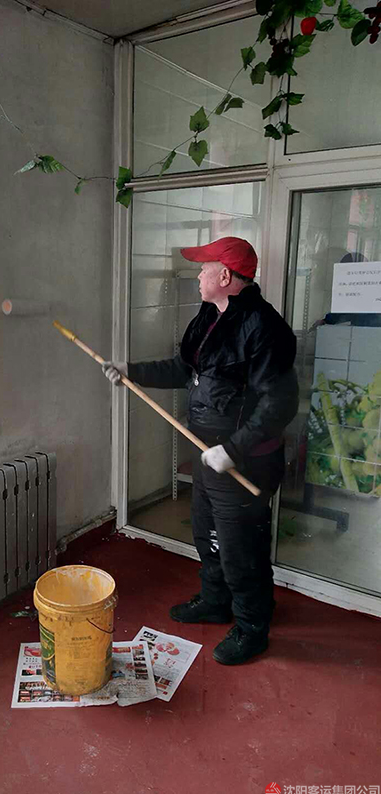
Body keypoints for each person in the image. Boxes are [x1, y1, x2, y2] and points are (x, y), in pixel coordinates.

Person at [103, 237, 299, 666]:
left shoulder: (264, 327)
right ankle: (215, 601)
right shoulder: (211, 316)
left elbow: (280, 403)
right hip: (209, 452)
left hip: (244, 461)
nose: (198, 274)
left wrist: (234, 448)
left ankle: (252, 627)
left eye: (204, 267)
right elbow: (184, 369)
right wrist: (131, 371)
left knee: (240, 548)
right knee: (207, 534)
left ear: (224, 276)